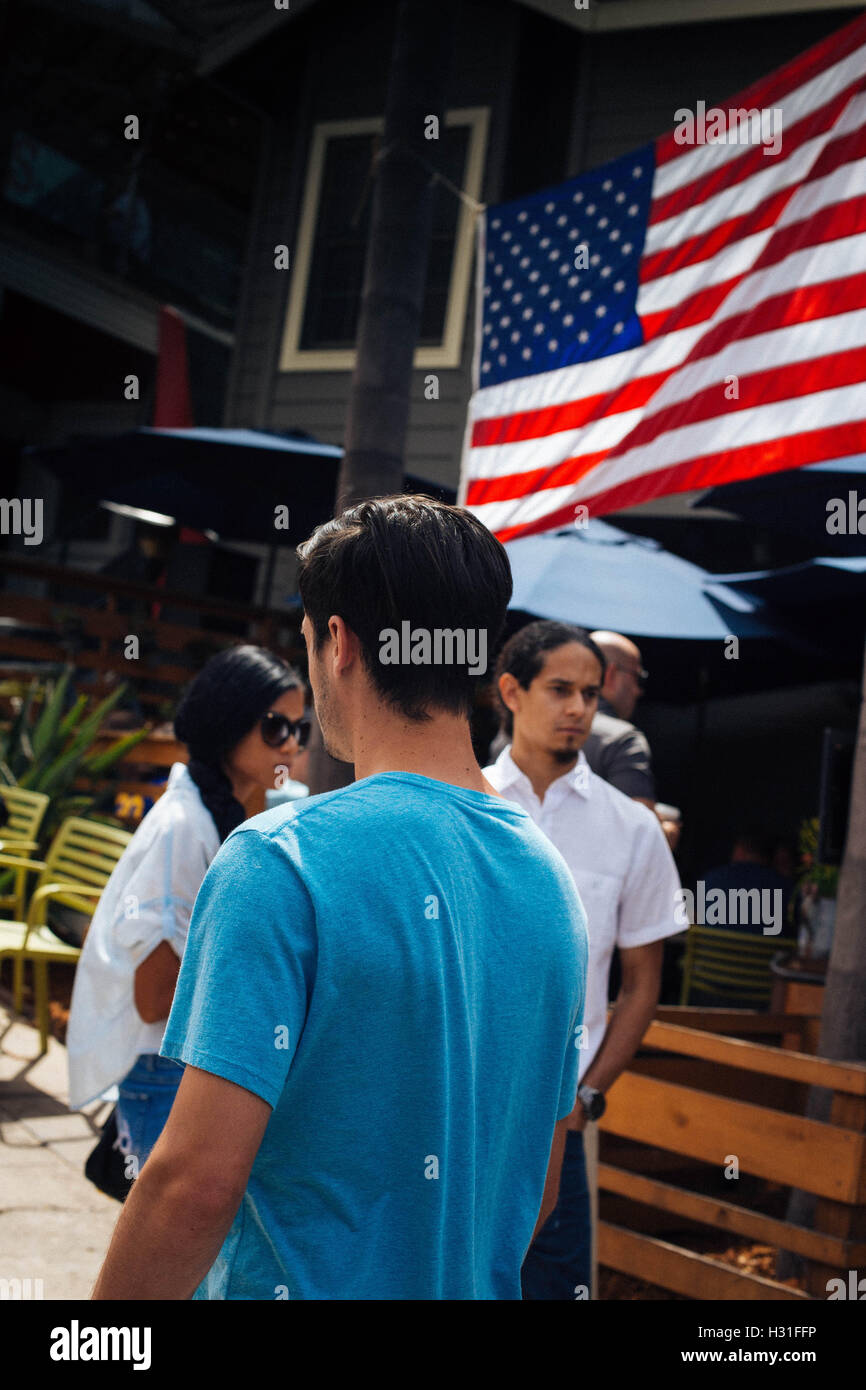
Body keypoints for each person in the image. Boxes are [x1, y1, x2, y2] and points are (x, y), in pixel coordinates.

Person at [92, 496, 588, 1302]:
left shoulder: (281, 862)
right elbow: (537, 1192)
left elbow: (193, 1185)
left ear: (339, 642)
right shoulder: (550, 879)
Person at [484, 619, 682, 1300]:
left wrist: (585, 1099)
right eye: (560, 689)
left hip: (558, 1119)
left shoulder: (630, 828)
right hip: (452, 1106)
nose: (577, 709)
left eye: (591, 694)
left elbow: (644, 985)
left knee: (549, 1289)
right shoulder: (463, 806)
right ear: (511, 690)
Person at [66, 646, 308, 1174]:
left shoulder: (219, 812)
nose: (291, 744)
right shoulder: (184, 827)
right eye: (275, 727)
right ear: (228, 723)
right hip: (163, 1069)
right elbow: (154, 998)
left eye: (298, 728)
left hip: (178, 1065)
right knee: (171, 1249)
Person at [582, 629, 655, 806]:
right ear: (610, 674)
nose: (639, 690)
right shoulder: (623, 739)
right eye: (638, 677)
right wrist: (661, 830)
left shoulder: (523, 726)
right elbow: (638, 829)